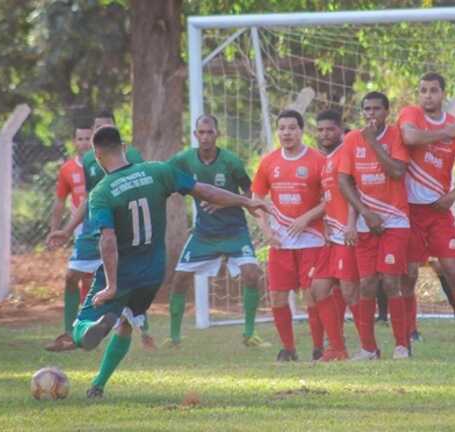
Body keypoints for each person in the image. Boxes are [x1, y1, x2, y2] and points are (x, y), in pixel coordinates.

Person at [52, 126, 268, 398]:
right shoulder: (157, 171)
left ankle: (89, 329)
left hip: (124, 272)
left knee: (81, 327)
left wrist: (111, 285)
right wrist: (246, 201)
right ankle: (97, 385)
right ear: (123, 146)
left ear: (96, 154)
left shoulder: (101, 193)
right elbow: (206, 191)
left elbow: (107, 240)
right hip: (154, 272)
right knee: (127, 323)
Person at [397, 72, 455, 354]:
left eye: (433, 90)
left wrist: (453, 196)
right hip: (409, 211)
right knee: (409, 274)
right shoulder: (411, 114)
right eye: (423, 90)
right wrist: (442, 135)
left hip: (439, 212)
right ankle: (410, 333)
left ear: (443, 94)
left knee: (452, 270)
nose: (427, 95)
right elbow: (409, 137)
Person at [48, 110, 156, 349]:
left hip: (123, 228)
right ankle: (69, 332)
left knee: (132, 281)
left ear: (114, 129)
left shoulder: (134, 155)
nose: (100, 130)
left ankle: (144, 331)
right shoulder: (89, 160)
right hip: (93, 228)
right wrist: (66, 230)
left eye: (105, 125)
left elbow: (142, 189)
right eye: (97, 126)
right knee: (71, 276)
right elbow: (88, 198)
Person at [165, 114, 267, 348]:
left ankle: (250, 334)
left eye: (210, 132)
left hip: (234, 231)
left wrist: (223, 202)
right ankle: (174, 338)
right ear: (195, 135)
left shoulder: (230, 161)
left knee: (252, 274)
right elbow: (164, 174)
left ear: (217, 134)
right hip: (203, 234)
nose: (205, 137)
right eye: (201, 132)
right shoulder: (184, 160)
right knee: (179, 279)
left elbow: (249, 194)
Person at [338, 92, 411, 360]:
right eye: (367, 109)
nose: (371, 114)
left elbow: (397, 171)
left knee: (391, 282)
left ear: (386, 112)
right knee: (366, 283)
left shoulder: (396, 136)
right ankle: (368, 348)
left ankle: (402, 345)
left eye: (376, 109)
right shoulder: (351, 139)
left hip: (394, 220)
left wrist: (373, 143)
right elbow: (344, 182)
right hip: (367, 221)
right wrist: (364, 214)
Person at [252, 110, 327, 362]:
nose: (286, 132)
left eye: (292, 128)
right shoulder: (269, 162)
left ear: (301, 130)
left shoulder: (317, 160)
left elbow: (331, 199)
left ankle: (319, 348)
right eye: (282, 128)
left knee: (311, 296)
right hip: (281, 243)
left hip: (312, 240)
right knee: (277, 296)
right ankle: (288, 349)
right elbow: (256, 200)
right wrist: (267, 231)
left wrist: (306, 218)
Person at [309, 109, 364, 362]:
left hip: (347, 234)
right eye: (320, 130)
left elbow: (353, 191)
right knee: (318, 288)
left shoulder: (346, 154)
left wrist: (351, 223)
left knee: (350, 292)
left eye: (330, 129)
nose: (324, 134)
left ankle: (368, 347)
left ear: (341, 130)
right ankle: (337, 348)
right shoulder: (327, 159)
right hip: (331, 238)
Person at [44, 124, 92, 352]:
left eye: (88, 138)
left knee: (91, 279)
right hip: (80, 230)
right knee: (77, 276)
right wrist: (56, 230)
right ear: (75, 141)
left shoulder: (102, 166)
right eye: (80, 138)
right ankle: (72, 332)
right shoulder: (67, 169)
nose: (84, 142)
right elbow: (59, 202)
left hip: (104, 227)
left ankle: (87, 329)